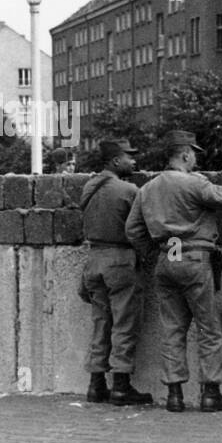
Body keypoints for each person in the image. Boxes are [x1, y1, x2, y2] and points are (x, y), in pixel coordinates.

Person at [125, 131, 222, 413]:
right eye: (194, 154)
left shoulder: (148, 189)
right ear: (186, 154)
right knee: (209, 327)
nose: (195, 160)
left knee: (173, 330)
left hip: (168, 257)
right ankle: (211, 393)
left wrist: (154, 250)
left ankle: (174, 395)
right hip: (195, 257)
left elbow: (132, 230)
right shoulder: (193, 183)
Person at [78, 139, 154, 406]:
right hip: (120, 259)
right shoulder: (128, 190)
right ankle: (121, 386)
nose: (133, 161)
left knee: (101, 322)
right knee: (124, 323)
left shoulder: (89, 187)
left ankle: (96, 384)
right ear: (114, 161)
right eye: (128, 157)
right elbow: (141, 226)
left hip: (94, 260)